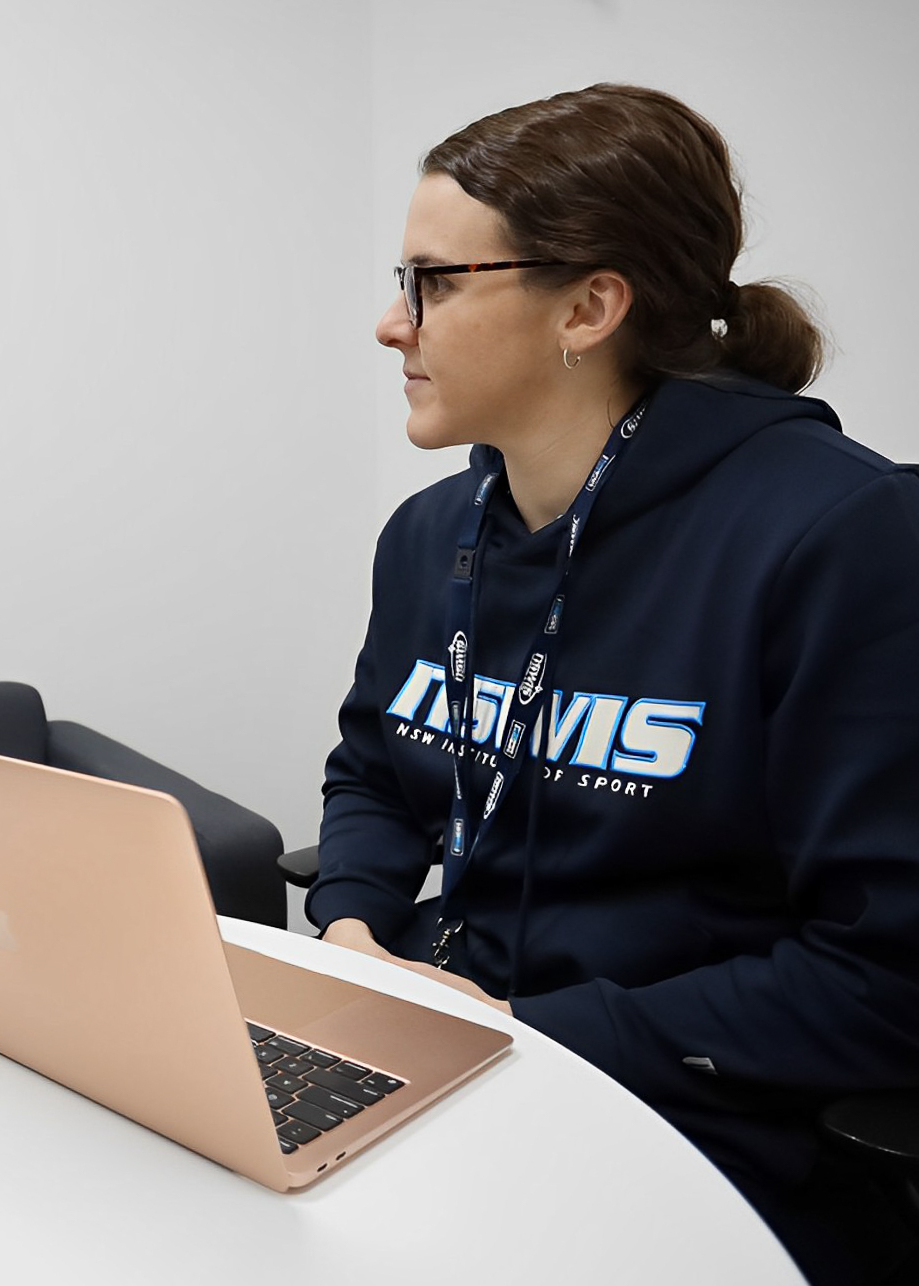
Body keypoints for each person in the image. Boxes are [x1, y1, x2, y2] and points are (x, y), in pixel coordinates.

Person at [310, 84, 919, 1285]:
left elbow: (885, 974)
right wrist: (350, 931)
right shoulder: (430, 535)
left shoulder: (842, 533)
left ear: (588, 307)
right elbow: (374, 772)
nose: (391, 324)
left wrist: (518, 1031)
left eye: (433, 282)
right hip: (453, 1053)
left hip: (702, 1122)